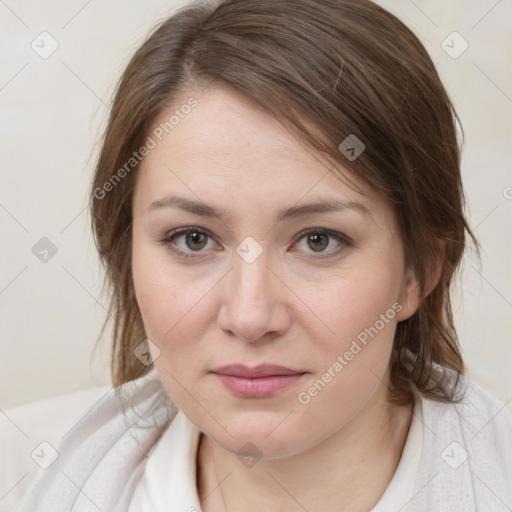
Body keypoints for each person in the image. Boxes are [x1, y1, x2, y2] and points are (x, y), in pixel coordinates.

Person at [2, 0, 511, 510]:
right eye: (193, 238)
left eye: (318, 240)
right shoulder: (20, 476)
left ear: (419, 270)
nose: (250, 317)